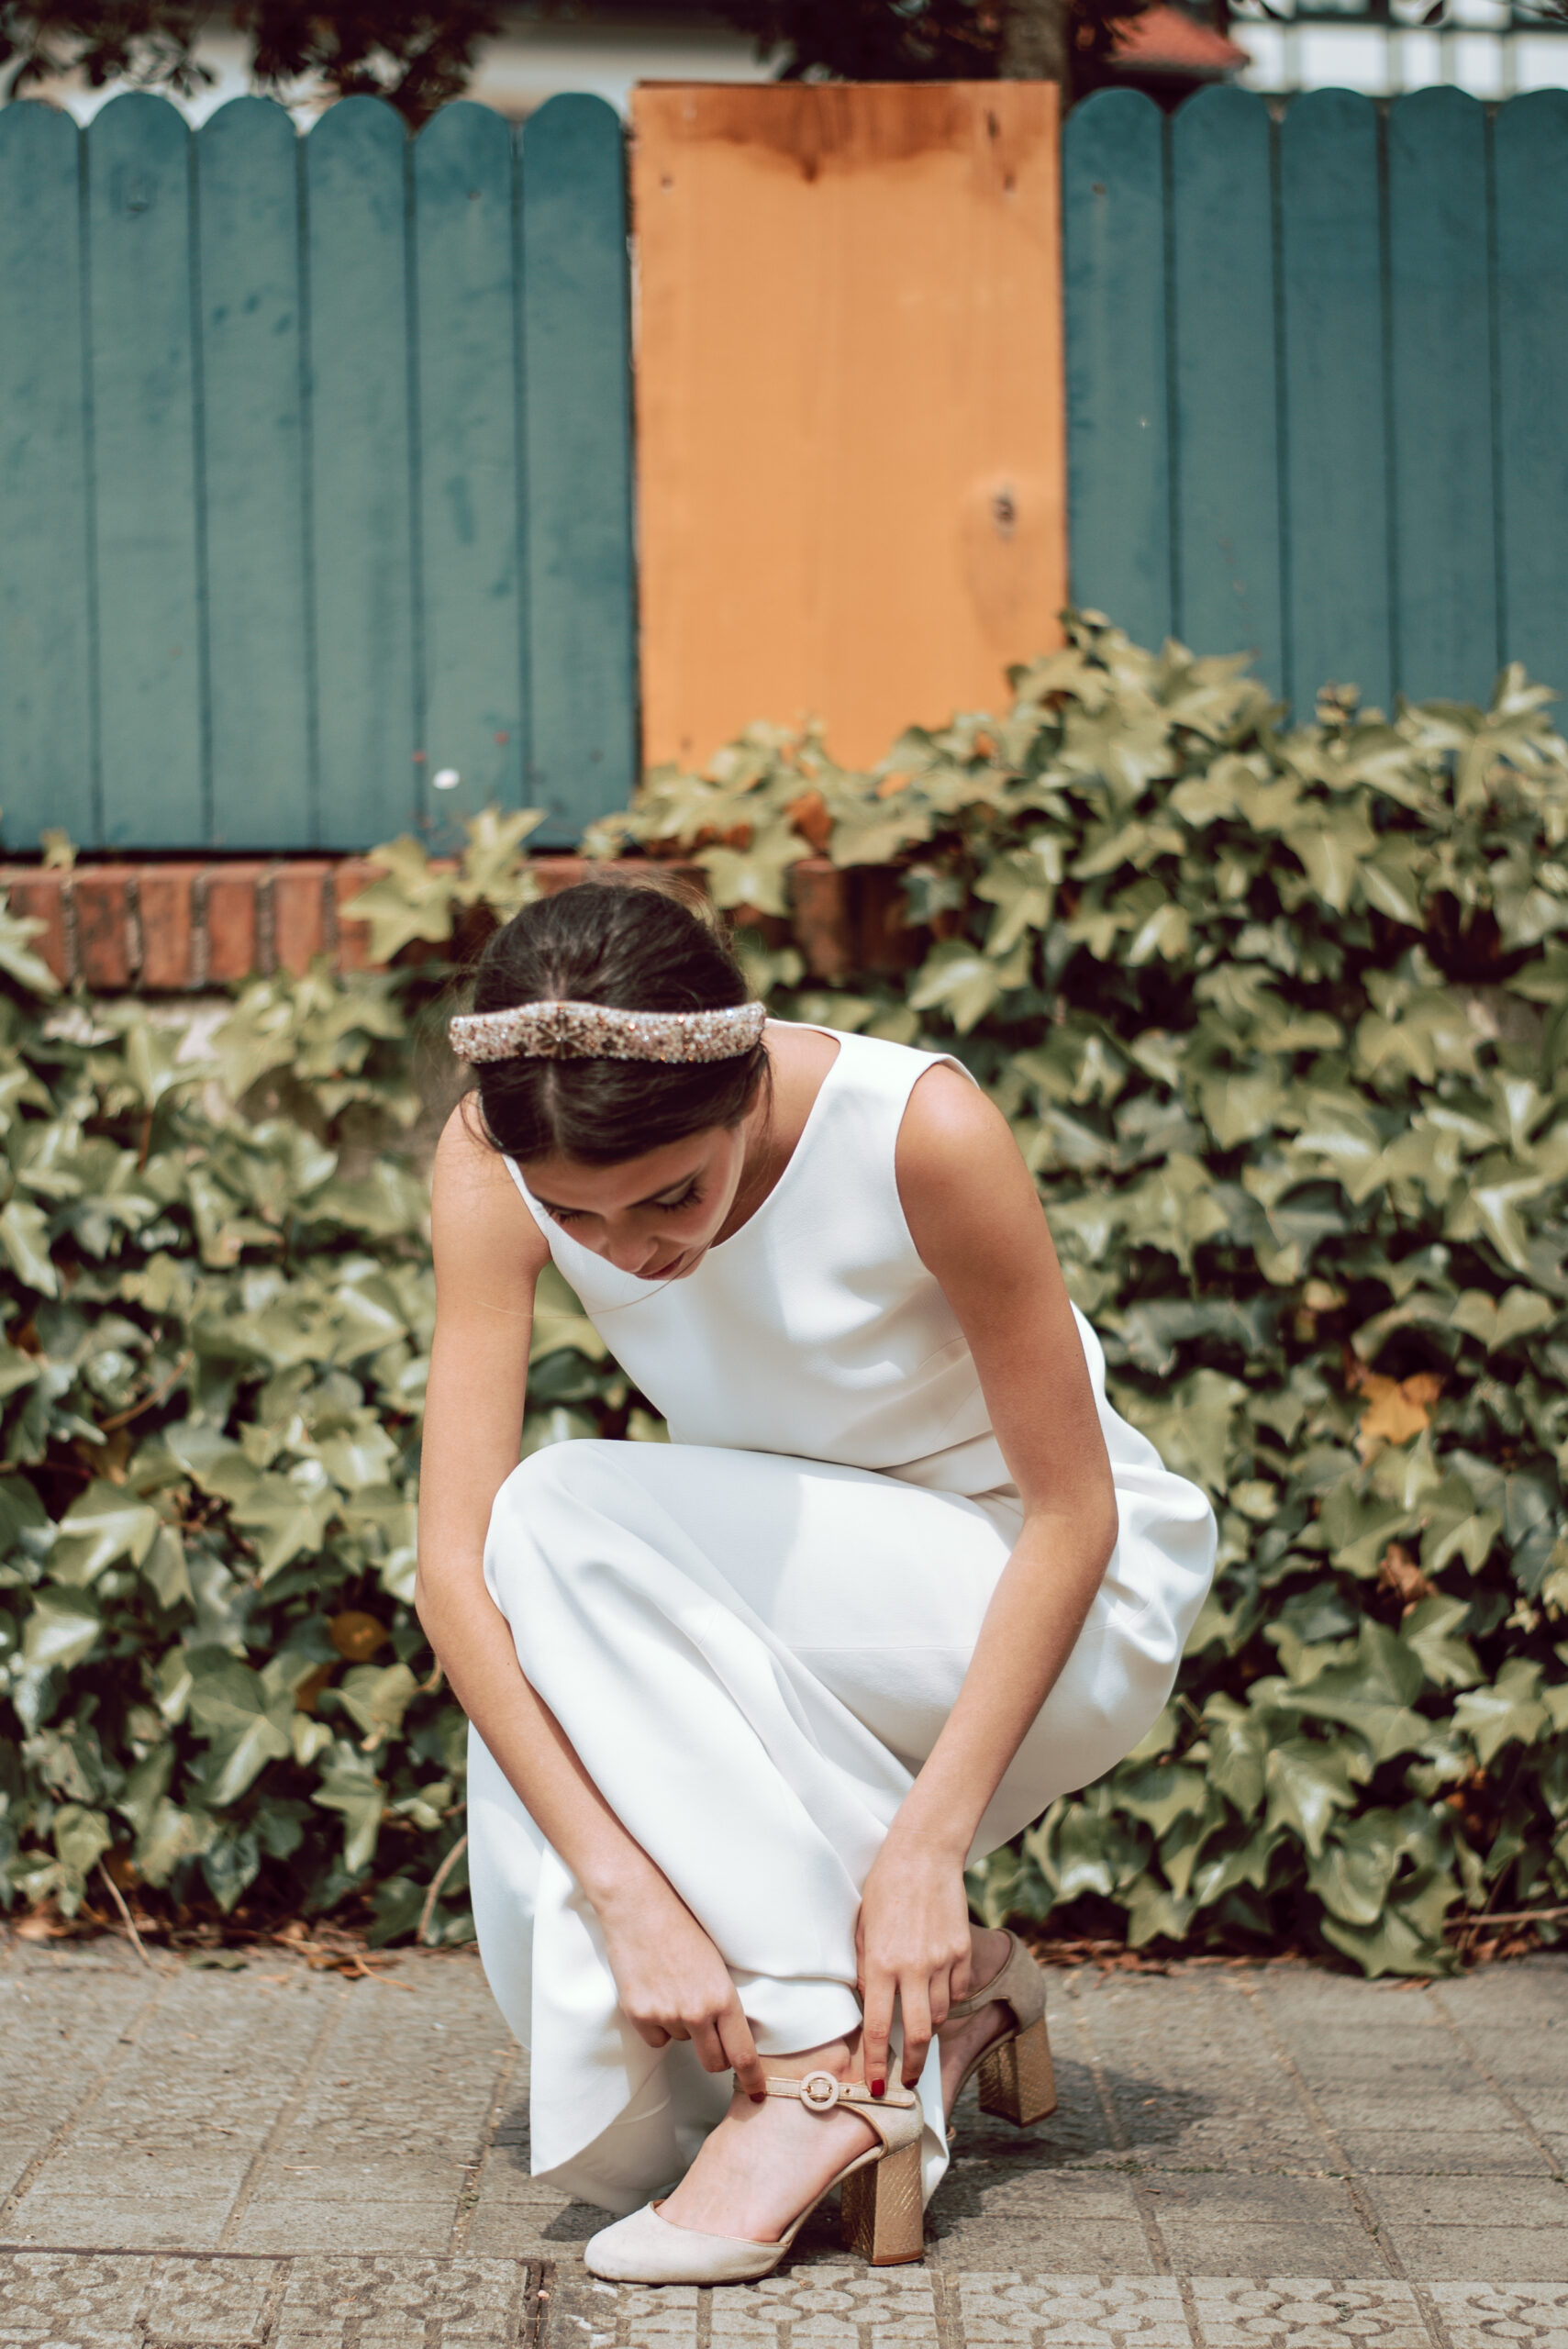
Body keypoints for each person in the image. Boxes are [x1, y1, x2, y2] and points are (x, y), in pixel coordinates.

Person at [416, 876, 1216, 2287]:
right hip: (783, 1602)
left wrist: (924, 1852)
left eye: (671, 1194)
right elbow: (447, 1573)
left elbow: (1071, 1514)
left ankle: (819, 2073)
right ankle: (950, 2005)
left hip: (1045, 1611)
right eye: (574, 1217)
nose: (627, 1251)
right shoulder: (490, 1159)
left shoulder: (921, 1129)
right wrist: (623, 1887)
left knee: (558, 1512)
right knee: (627, 2111)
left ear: (746, 1085)